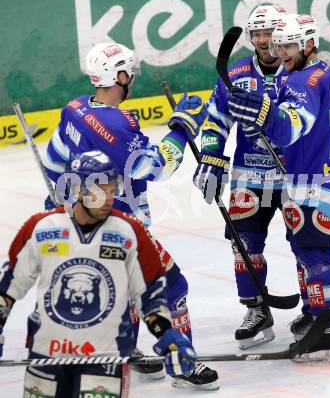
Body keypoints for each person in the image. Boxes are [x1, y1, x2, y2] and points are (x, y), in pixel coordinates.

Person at [42, 42, 218, 389]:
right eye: (129, 73)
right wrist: (182, 128)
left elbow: (52, 161)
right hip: (120, 225)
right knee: (172, 287)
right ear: (120, 75)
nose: (132, 78)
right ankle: (181, 364)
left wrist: (61, 206)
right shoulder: (120, 125)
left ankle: (119, 350)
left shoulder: (74, 109)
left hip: (78, 221)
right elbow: (159, 167)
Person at [193, 4, 330, 350]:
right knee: (244, 245)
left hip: (296, 174)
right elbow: (214, 121)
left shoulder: (298, 74)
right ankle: (257, 310)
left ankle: (321, 309)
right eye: (258, 33)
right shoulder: (235, 76)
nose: (265, 41)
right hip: (250, 175)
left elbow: (324, 121)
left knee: (308, 246)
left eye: (271, 33)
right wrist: (211, 155)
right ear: (251, 37)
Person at [0, 151, 197, 397]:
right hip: (48, 353)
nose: (108, 199)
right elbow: (8, 288)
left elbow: (150, 295)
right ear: (79, 191)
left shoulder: (130, 232)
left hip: (106, 356)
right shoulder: (41, 228)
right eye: (100, 190)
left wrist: (167, 334)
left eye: (112, 190)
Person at [226, 13, 330, 362]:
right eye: (279, 44)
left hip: (311, 181)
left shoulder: (302, 82)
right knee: (313, 249)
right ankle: (323, 318)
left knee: (313, 253)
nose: (281, 52)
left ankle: (326, 326)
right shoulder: (328, 75)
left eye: (289, 45)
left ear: (309, 43)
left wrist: (262, 115)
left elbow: (290, 127)